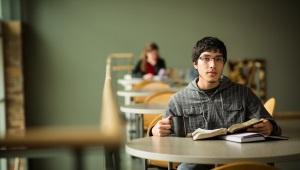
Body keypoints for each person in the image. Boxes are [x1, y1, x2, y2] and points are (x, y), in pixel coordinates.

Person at [151, 37, 281, 170]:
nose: (213, 65)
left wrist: (270, 127)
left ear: (223, 63)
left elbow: (272, 126)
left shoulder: (243, 93)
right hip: (196, 162)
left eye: (218, 59)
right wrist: (155, 130)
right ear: (195, 63)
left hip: (237, 160)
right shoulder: (178, 100)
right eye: (206, 58)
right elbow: (164, 140)